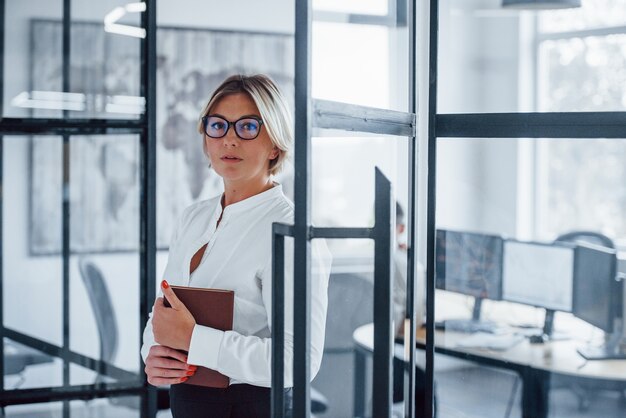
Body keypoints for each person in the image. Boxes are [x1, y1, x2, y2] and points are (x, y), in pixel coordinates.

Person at [141, 74, 332, 418]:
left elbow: (298, 362)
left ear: (276, 144)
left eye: (247, 127)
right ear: (206, 139)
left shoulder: (291, 231)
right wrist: (152, 355)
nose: (229, 139)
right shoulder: (192, 218)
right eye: (218, 126)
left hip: (252, 408)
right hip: (188, 402)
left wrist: (195, 341)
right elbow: (165, 310)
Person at [392, 202, 435, 417]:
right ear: (400, 229)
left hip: (356, 355)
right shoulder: (408, 265)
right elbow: (414, 321)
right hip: (384, 362)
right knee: (425, 382)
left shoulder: (363, 255)